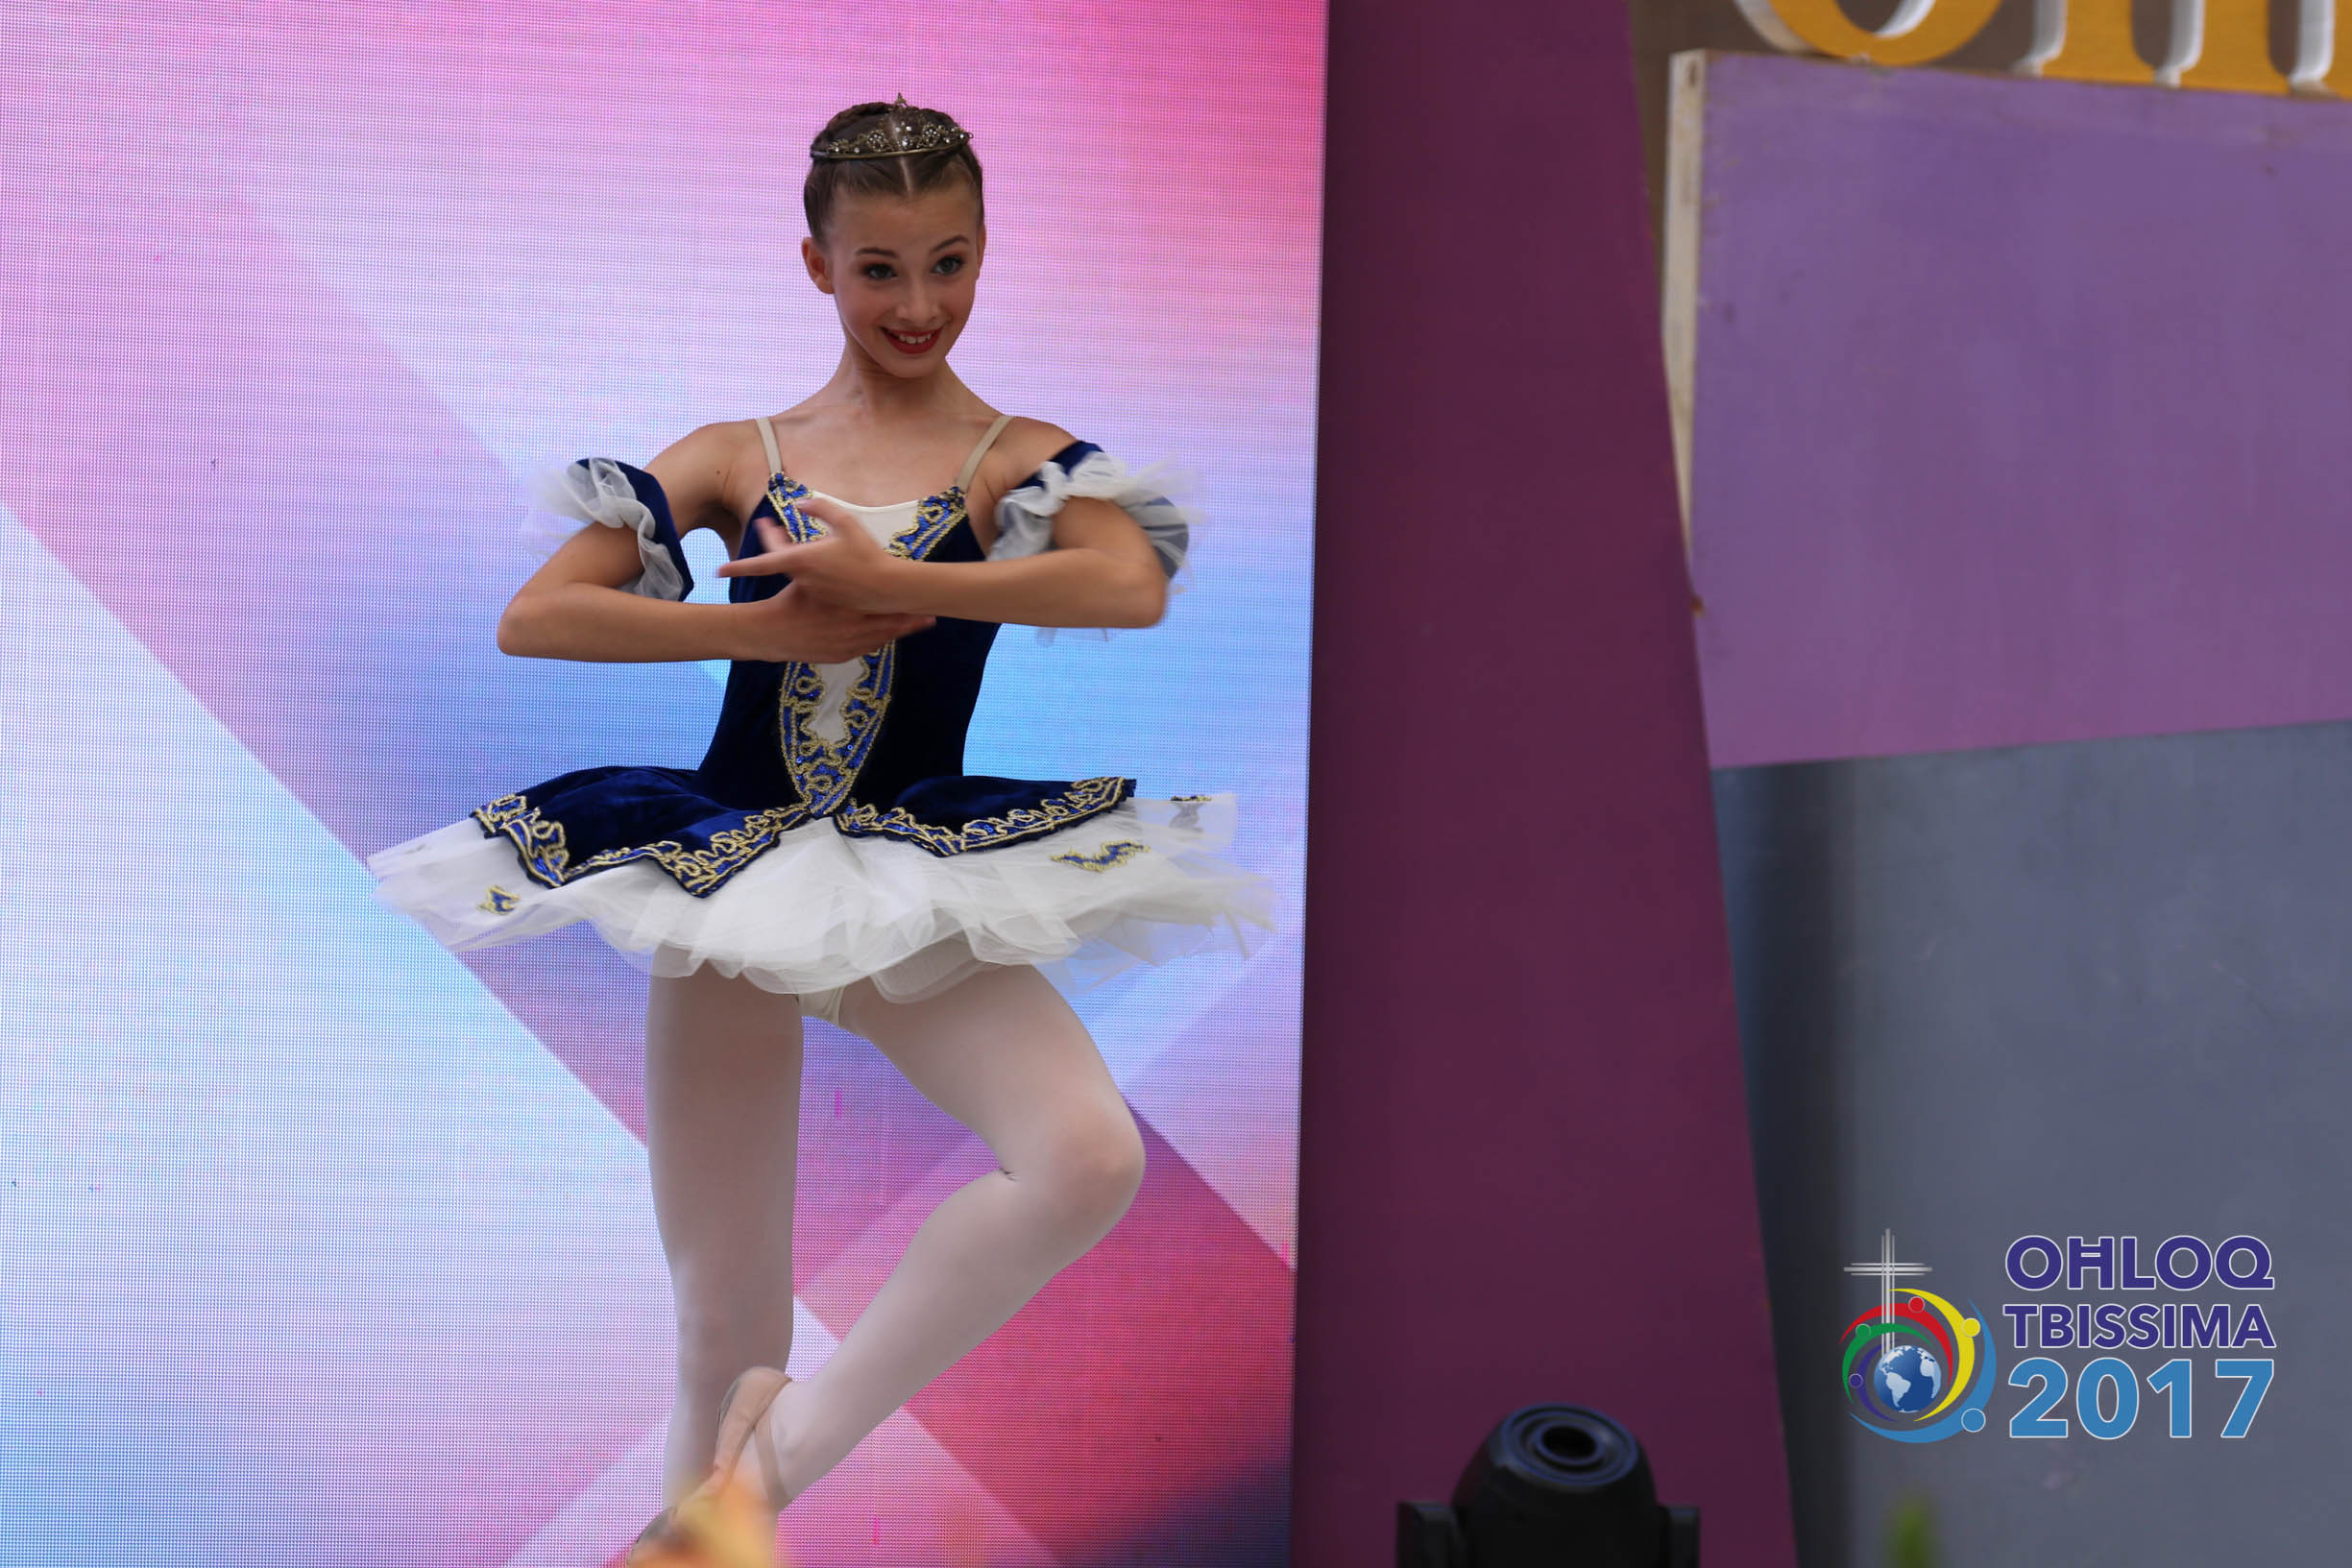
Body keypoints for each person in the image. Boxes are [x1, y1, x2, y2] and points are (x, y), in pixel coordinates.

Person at [366, 96, 1277, 1567]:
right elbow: (537, 614)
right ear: (816, 265)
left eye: (949, 262)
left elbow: (1125, 585)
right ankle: (707, 1524)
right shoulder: (740, 453)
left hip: (909, 867)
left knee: (1082, 1154)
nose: (918, 303)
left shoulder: (1015, 458)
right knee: (724, 1320)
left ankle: (750, 1485)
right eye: (879, 269)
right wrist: (767, 624)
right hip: (728, 868)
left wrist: (914, 585)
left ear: (983, 252)